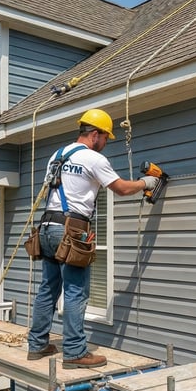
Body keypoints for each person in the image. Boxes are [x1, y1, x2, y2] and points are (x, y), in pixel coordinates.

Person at [27, 108, 159, 369]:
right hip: (72, 229)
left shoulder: (57, 155)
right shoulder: (93, 159)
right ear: (95, 134)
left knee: (48, 288)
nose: (105, 143)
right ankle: (75, 351)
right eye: (106, 138)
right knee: (75, 290)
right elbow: (121, 189)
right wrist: (146, 183)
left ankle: (37, 345)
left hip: (47, 227)